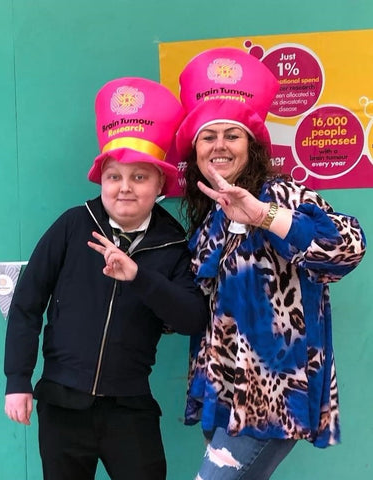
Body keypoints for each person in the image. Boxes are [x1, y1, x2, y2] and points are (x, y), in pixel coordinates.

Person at [174, 47, 367, 480]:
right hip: (223, 397)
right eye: (208, 136)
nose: (219, 145)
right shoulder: (208, 222)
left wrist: (263, 216)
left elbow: (348, 248)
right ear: (196, 152)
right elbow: (192, 306)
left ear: (252, 146)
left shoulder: (283, 196)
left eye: (232, 135)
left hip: (272, 398)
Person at [4, 76, 208, 480]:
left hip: (129, 406)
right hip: (62, 403)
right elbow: (27, 304)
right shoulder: (73, 224)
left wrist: (139, 277)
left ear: (159, 185)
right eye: (115, 176)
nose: (125, 188)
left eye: (139, 177)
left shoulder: (172, 244)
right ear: (102, 181)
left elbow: (193, 318)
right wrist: (17, 380)